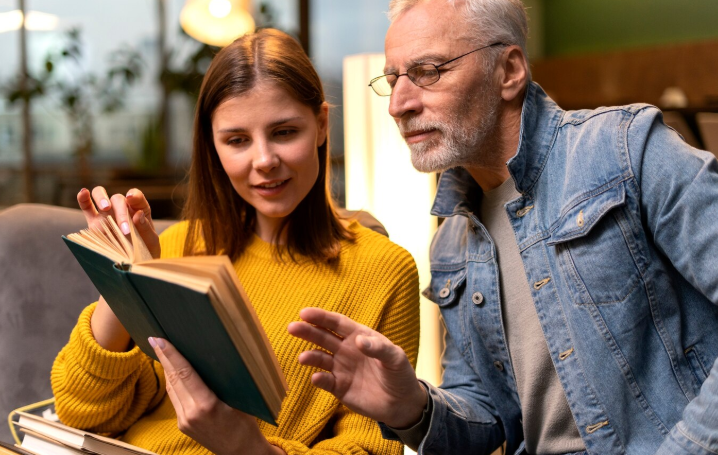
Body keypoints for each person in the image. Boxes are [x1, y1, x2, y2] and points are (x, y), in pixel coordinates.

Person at [287, 1, 718, 454]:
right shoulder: (451, 241)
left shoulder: (627, 151)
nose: (399, 105)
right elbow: (489, 419)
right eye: (393, 79)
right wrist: (411, 406)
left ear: (509, 71)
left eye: (429, 71)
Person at [51, 28, 420, 455]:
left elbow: (371, 447)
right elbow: (81, 411)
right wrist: (123, 277)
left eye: (284, 132)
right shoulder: (177, 246)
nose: (264, 160)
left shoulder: (383, 271)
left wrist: (247, 447)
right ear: (213, 145)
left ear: (320, 125)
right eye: (237, 140)